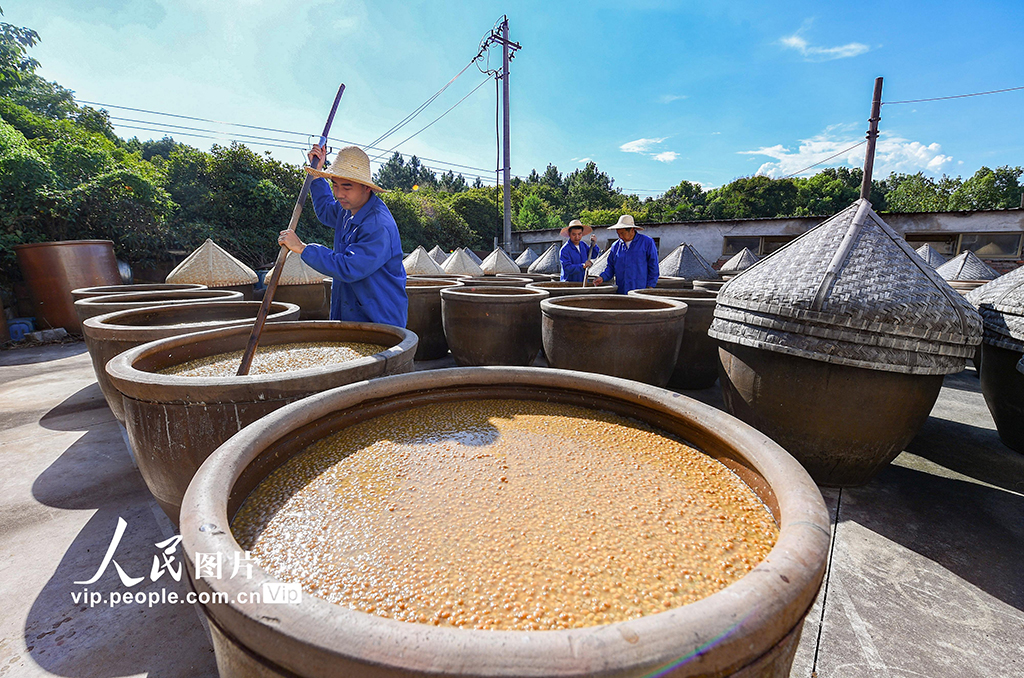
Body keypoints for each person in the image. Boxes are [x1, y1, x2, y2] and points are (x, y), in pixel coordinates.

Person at [278, 144, 408, 326]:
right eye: (335, 185)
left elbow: (349, 267)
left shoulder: (378, 225)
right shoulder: (347, 209)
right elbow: (325, 210)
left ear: (366, 188)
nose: (339, 194)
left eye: (347, 187)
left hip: (378, 316)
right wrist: (317, 173)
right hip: (351, 308)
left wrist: (302, 248)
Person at [593, 214, 659, 294]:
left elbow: (653, 267)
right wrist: (602, 277)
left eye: (623, 233)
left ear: (632, 230)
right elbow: (610, 267)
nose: (620, 236)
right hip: (621, 290)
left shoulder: (647, 242)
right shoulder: (616, 246)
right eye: (618, 234)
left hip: (640, 290)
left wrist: (650, 286)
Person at [558, 219, 600, 283]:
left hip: (583, 281)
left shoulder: (583, 245)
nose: (577, 237)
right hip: (569, 283)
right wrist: (583, 266)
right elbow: (567, 268)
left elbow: (593, 255)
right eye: (574, 234)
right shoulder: (565, 250)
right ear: (569, 234)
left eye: (579, 234)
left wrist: (593, 245)